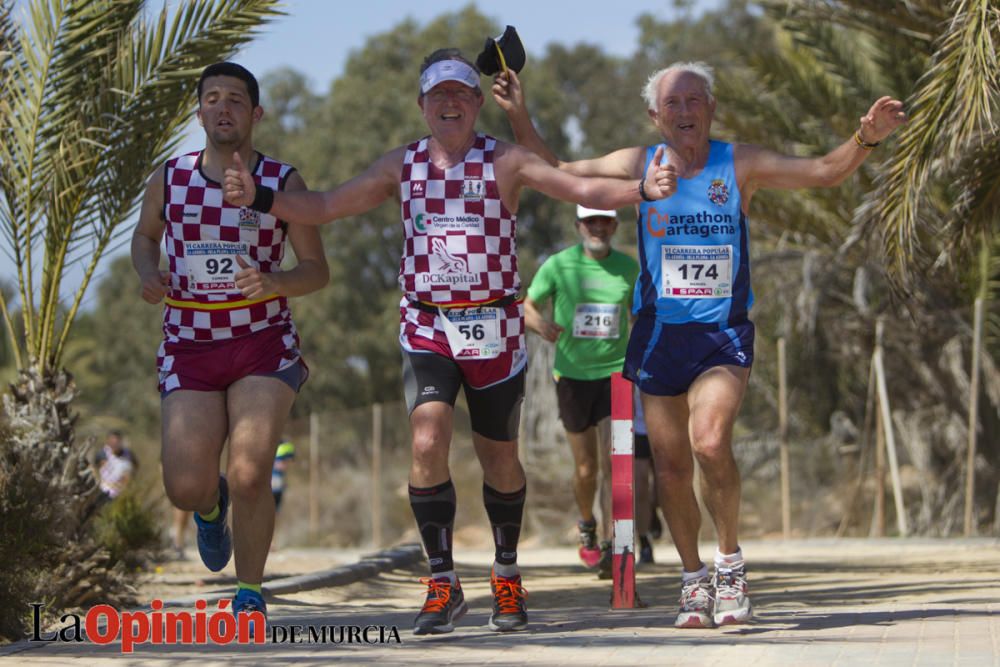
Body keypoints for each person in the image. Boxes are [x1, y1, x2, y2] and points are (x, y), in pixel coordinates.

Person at [222, 49, 677, 635]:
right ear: (422, 107)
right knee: (428, 436)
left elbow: (575, 185)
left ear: (476, 103)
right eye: (438, 95)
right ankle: (442, 581)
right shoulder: (401, 166)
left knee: (499, 458)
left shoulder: (505, 160)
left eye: (461, 92)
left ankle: (506, 574)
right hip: (427, 324)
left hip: (494, 329)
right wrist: (258, 197)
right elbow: (326, 205)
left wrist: (644, 189)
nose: (450, 103)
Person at [496, 62, 906, 628]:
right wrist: (519, 113)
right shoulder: (639, 164)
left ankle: (730, 565)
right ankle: (693, 581)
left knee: (710, 444)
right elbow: (554, 169)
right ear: (654, 116)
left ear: (711, 109)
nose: (685, 111)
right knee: (668, 466)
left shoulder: (738, 163)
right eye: (673, 104)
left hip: (722, 333)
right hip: (660, 334)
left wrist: (865, 138)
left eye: (695, 100)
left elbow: (822, 172)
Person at [130, 62, 329, 628]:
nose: (223, 108)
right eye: (212, 99)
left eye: (236, 100)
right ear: (199, 114)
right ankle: (209, 506)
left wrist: (276, 283)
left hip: (262, 342)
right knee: (185, 486)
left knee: (250, 473)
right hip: (189, 344)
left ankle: (249, 591)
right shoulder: (169, 179)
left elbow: (316, 270)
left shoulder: (283, 182)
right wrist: (149, 273)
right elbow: (145, 240)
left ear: (255, 114)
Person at [523, 205, 638, 579]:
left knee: (615, 463)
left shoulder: (629, 268)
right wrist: (540, 324)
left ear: (615, 225)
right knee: (587, 468)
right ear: (578, 226)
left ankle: (612, 545)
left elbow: (645, 312)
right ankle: (587, 522)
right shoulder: (558, 265)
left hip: (616, 376)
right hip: (572, 377)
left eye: (605, 221)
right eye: (591, 221)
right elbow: (527, 305)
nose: (598, 227)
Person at [94, 430, 138, 500]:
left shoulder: (129, 455)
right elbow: (94, 469)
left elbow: (136, 467)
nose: (114, 444)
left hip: (123, 494)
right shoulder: (102, 454)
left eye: (116, 442)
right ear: (108, 441)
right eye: (112, 442)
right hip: (104, 493)